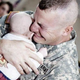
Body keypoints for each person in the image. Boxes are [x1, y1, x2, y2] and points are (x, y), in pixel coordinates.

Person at [0, 0, 79, 80]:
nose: (32, 28)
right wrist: (3, 44)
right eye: (34, 19)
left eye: (41, 26)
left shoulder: (64, 72)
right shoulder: (24, 17)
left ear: (66, 30)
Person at [0, 12, 47, 80]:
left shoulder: (6, 37)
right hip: (5, 76)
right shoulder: (28, 44)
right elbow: (31, 63)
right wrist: (41, 54)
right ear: (30, 33)